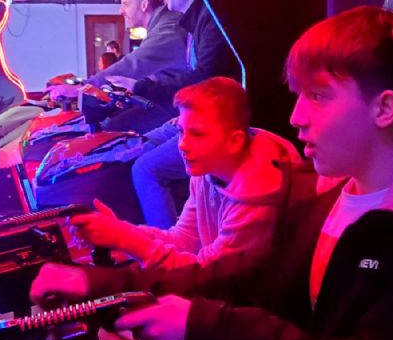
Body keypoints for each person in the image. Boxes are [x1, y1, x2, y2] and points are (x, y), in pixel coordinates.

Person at [31, 6, 393, 340]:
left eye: (319, 96)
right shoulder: (318, 192)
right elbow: (244, 281)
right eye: (299, 95)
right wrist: (101, 285)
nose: (296, 117)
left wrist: (206, 329)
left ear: (383, 109)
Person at [68, 76, 301, 270]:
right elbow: (185, 239)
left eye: (197, 134)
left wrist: (124, 239)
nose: (182, 145)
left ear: (234, 141)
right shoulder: (206, 171)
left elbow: (204, 273)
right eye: (181, 132)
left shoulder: (258, 198)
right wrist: (122, 231)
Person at [110, 0, 242, 227]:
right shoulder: (193, 20)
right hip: (192, 114)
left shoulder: (206, 20)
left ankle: (168, 246)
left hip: (217, 122)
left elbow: (205, 76)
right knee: (137, 145)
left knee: (145, 169)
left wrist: (140, 86)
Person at [48, 0, 188, 133]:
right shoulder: (161, 26)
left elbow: (134, 64)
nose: (121, 11)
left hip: (180, 102)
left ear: (144, 5)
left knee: (116, 128)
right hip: (169, 96)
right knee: (115, 117)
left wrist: (85, 87)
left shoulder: (167, 29)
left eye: (126, 4)